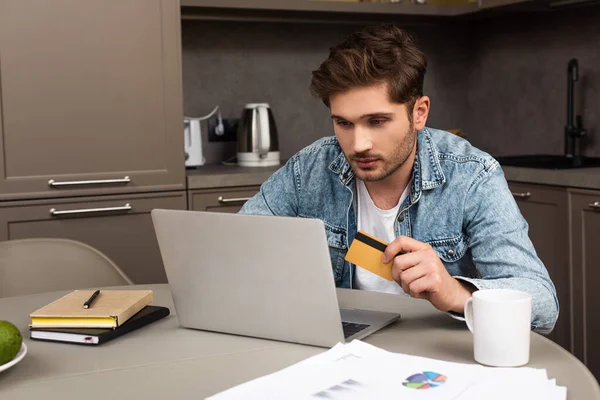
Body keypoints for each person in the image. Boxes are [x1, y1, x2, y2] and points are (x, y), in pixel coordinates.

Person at [239, 24, 558, 333]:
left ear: (419, 113)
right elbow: (235, 250)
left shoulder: (472, 175)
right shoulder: (308, 169)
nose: (358, 144)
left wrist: (455, 292)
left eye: (376, 121)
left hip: (436, 357)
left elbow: (542, 304)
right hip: (340, 353)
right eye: (344, 124)